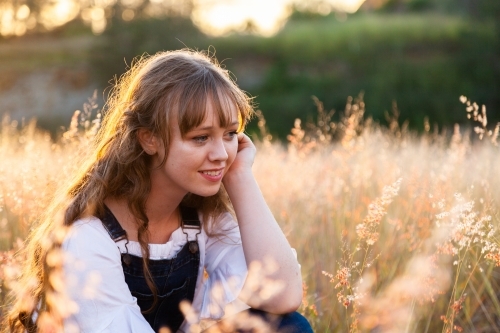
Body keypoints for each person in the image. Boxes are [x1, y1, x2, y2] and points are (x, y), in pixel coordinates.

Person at [4, 49, 313, 333]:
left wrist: (241, 178)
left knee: (288, 325)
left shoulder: (204, 219)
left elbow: (283, 297)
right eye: (200, 138)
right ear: (149, 139)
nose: (221, 153)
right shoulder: (89, 237)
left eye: (230, 134)